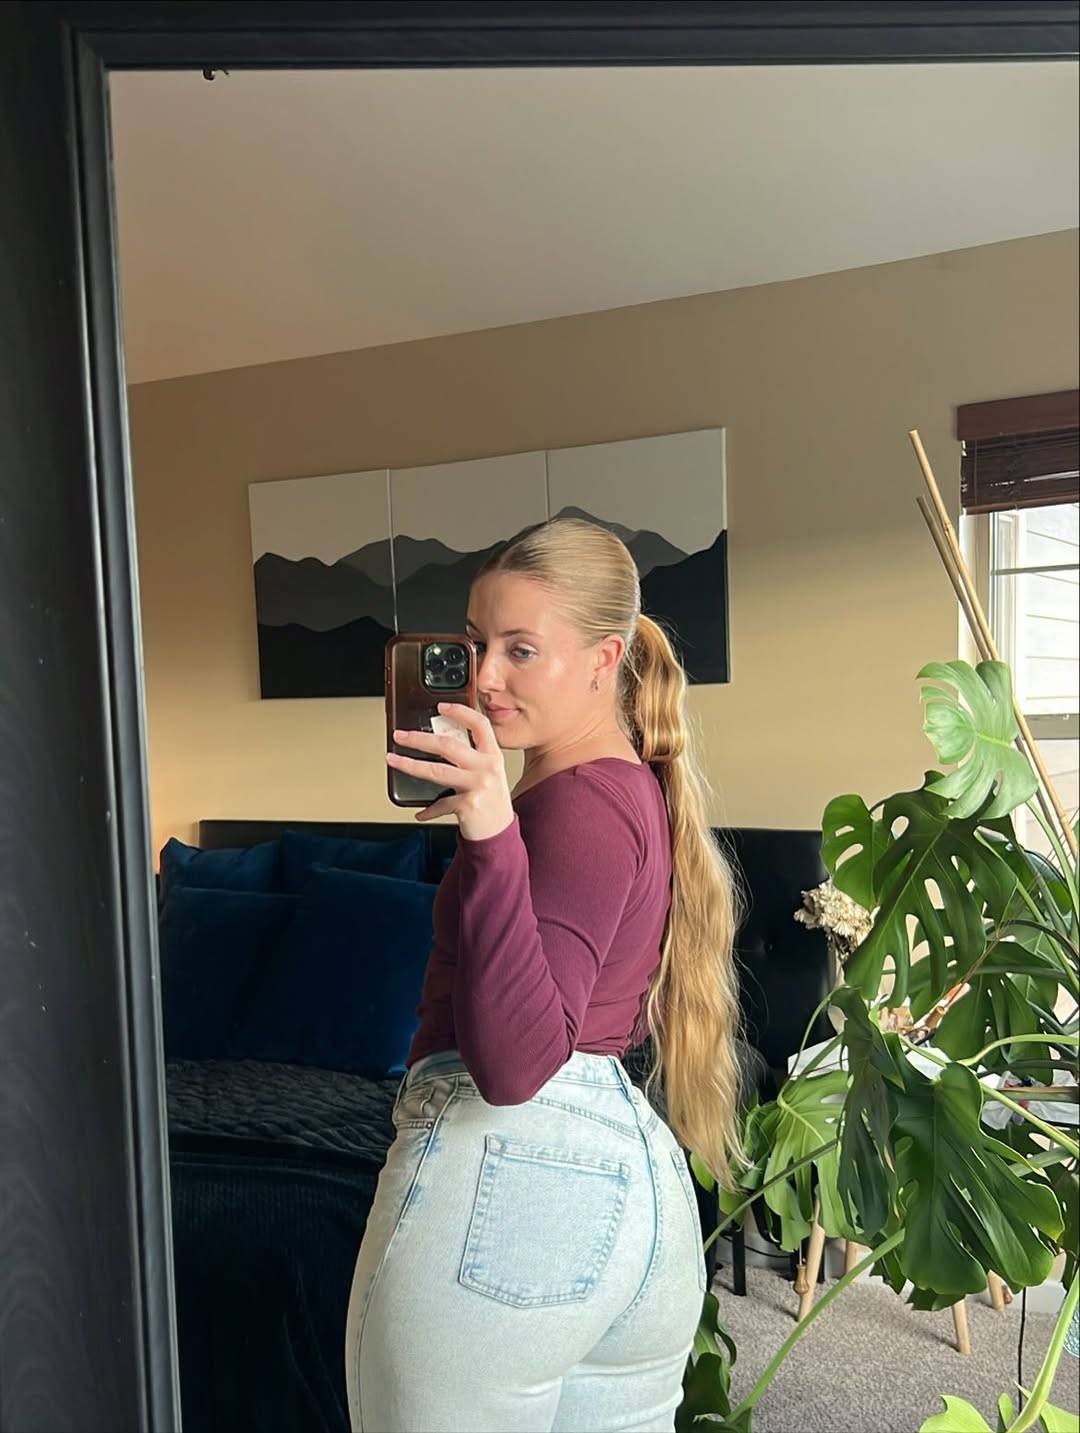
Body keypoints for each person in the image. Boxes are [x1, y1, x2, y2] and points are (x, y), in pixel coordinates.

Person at [344, 517, 744, 1433]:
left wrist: (489, 828)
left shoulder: (577, 804)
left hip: (512, 1185)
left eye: (521, 649)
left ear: (605, 660)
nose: (486, 676)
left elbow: (516, 1066)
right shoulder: (616, 788)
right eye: (476, 643)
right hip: (625, 1187)